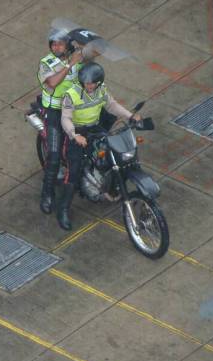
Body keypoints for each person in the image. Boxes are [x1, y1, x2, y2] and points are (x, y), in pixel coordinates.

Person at [58, 62, 141, 230]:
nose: (88, 85)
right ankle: (63, 209)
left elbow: (111, 105)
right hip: (77, 132)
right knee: (73, 172)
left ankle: (109, 186)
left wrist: (130, 116)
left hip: (94, 128)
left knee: (115, 153)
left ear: (98, 82)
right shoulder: (71, 94)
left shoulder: (101, 90)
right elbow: (65, 118)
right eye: (85, 82)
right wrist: (74, 135)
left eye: (91, 83)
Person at [37, 28, 84, 215]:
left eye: (60, 44)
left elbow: (93, 58)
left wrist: (84, 48)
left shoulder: (77, 58)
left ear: (68, 46)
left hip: (76, 109)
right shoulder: (46, 63)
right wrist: (69, 64)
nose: (56, 47)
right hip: (54, 112)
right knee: (54, 155)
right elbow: (52, 83)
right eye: (53, 44)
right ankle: (47, 193)